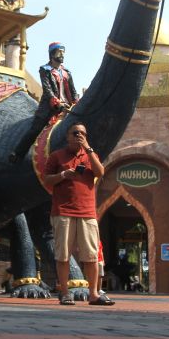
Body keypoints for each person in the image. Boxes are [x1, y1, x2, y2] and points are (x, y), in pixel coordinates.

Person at [43, 121, 114, 306]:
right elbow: (46, 180)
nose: (79, 136)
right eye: (75, 133)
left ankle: (93, 294)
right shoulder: (57, 156)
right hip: (63, 211)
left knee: (91, 255)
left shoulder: (90, 155)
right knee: (63, 254)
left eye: (82, 133)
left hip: (87, 212)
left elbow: (100, 171)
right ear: (67, 136)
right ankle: (65, 293)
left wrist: (88, 149)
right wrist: (63, 175)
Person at [9, 42, 78, 163]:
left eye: (63, 52)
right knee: (35, 129)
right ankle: (18, 153)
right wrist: (57, 103)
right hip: (50, 107)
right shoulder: (45, 70)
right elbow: (47, 91)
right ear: (52, 54)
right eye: (59, 52)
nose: (62, 55)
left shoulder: (67, 72)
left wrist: (76, 102)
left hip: (67, 106)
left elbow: (73, 91)